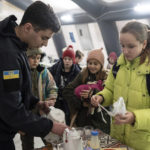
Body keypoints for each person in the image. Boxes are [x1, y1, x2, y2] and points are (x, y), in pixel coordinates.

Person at [0, 1, 67, 150]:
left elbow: (15, 90)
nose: (45, 44)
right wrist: (50, 126)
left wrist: (35, 102)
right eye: (44, 37)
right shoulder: (7, 54)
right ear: (28, 27)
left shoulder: (17, 45)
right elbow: (11, 109)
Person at [91, 21, 150, 150]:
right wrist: (101, 97)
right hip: (118, 137)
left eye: (131, 46)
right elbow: (110, 89)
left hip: (142, 143)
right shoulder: (118, 65)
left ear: (144, 44)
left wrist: (135, 117)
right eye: (122, 45)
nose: (125, 51)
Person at [63, 49, 110, 133]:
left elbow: (108, 92)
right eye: (90, 63)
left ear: (101, 65)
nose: (92, 66)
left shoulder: (106, 76)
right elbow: (67, 90)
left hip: (100, 117)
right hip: (84, 117)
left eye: (95, 64)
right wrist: (80, 102)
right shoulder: (83, 74)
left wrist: (94, 93)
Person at [20, 48, 58, 150]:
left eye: (38, 58)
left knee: (49, 139)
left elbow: (53, 87)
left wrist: (51, 99)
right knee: (27, 142)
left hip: (42, 112)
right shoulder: (21, 73)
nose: (36, 61)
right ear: (25, 57)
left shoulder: (44, 72)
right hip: (26, 114)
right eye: (32, 58)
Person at [49, 45, 81, 125]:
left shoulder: (77, 71)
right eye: (65, 59)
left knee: (68, 119)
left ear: (73, 60)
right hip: (57, 97)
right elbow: (48, 72)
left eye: (69, 59)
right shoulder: (57, 66)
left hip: (69, 99)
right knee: (56, 118)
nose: (67, 61)